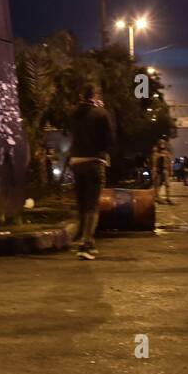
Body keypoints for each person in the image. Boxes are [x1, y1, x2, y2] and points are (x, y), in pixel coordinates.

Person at [67, 83, 116, 261]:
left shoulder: (72, 113)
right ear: (96, 95)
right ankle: (85, 244)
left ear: (81, 95)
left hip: (76, 162)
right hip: (94, 162)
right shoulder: (101, 114)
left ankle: (88, 240)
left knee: (81, 203)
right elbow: (110, 139)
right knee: (92, 205)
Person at [152, 139, 174, 204]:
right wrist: (154, 171)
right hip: (159, 170)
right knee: (158, 184)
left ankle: (168, 198)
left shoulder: (166, 152)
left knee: (167, 184)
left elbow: (169, 162)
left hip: (165, 170)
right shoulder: (156, 152)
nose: (162, 144)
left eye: (163, 143)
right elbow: (154, 163)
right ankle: (157, 197)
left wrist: (171, 170)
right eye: (161, 143)